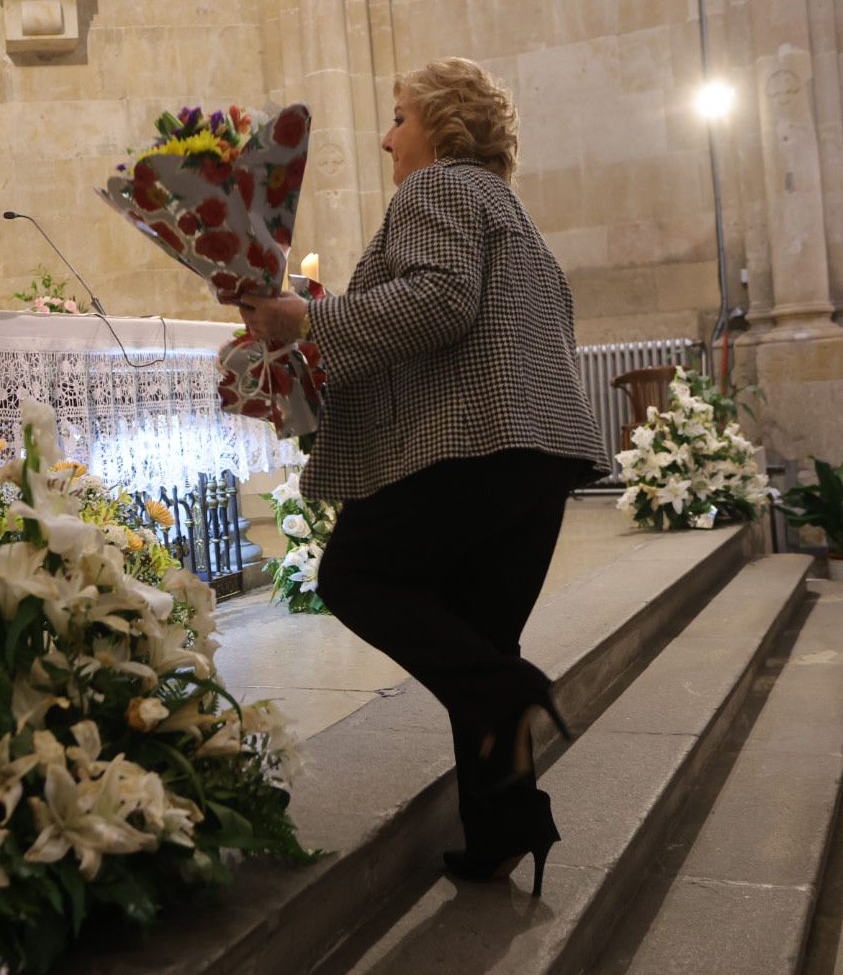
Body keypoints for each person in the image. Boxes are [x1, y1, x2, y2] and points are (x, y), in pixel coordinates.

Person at [238, 58, 606, 891]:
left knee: (359, 575)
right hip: (538, 454)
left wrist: (310, 318)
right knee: (479, 641)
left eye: (399, 116)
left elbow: (441, 301)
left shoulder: (437, 189)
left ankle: (509, 694)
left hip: (475, 445)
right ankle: (502, 830)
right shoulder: (506, 207)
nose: (385, 136)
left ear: (443, 125)